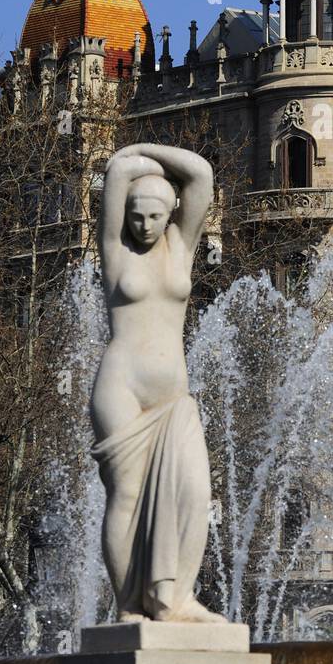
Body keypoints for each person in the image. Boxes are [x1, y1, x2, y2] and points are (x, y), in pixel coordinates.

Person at [90, 142, 225, 622]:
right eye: (135, 216)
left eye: (152, 216)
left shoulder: (181, 247)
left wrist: (146, 148)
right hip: (121, 386)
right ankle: (129, 607)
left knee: (194, 491)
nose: (142, 225)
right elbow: (118, 170)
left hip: (173, 395)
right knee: (125, 495)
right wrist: (135, 161)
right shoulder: (115, 250)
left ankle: (175, 598)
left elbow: (201, 174)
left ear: (171, 214)